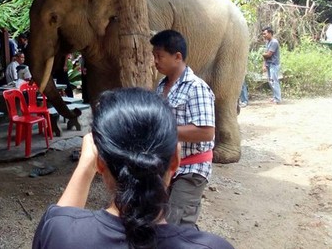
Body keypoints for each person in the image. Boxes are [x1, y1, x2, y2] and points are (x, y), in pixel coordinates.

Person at [33, 87, 234, 249]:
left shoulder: (59, 233)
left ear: (100, 163)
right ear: (175, 158)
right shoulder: (213, 246)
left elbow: (61, 216)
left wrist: (85, 166)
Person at [150, 29, 215, 227]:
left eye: (159, 56)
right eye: (154, 56)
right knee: (162, 219)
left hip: (191, 168)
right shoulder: (161, 87)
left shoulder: (196, 87)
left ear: (177, 57)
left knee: (175, 223)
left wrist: (163, 129)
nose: (155, 61)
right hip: (167, 166)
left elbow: (206, 132)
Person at [262, 26, 282, 104]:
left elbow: (269, 54)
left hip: (274, 65)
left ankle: (278, 99)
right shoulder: (268, 42)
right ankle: (275, 97)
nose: (264, 36)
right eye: (263, 34)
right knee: (271, 82)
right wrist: (264, 65)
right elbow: (265, 55)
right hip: (269, 64)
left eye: (265, 34)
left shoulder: (274, 42)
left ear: (270, 33)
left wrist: (264, 54)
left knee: (274, 81)